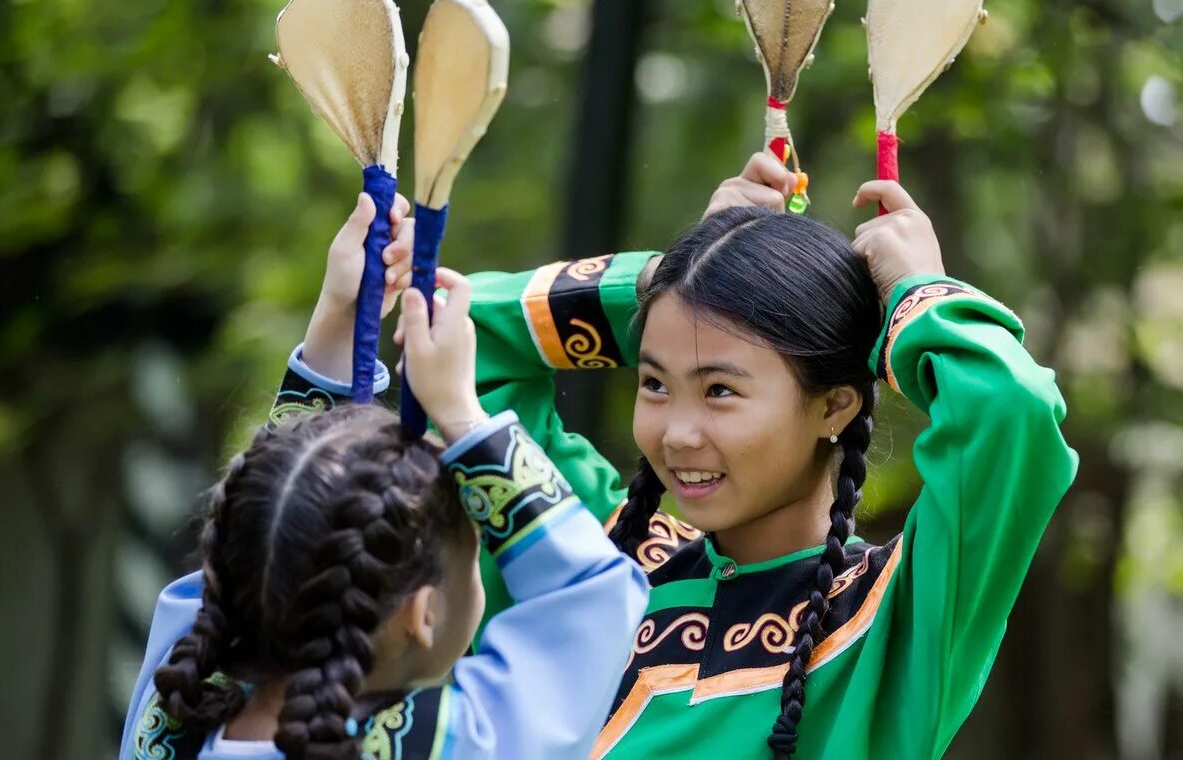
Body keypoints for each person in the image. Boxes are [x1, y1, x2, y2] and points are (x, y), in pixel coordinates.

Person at [441, 156, 1079, 759]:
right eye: (656, 383)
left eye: (720, 390)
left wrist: (917, 292)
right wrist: (681, 274)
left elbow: (1009, 410)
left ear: (835, 407)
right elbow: (464, 343)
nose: (678, 434)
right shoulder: (591, 563)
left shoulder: (895, 617)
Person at [119, 191, 649, 760]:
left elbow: (266, 536)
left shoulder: (172, 717)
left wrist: (340, 326)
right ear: (423, 616)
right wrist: (461, 415)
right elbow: (594, 600)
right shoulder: (449, 744)